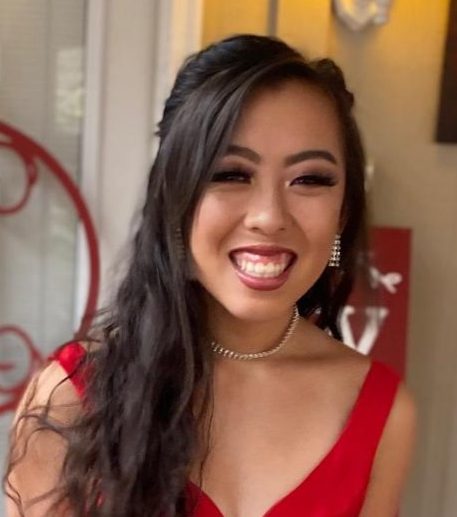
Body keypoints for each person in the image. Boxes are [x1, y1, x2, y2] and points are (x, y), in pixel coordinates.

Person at [4, 34, 416, 517]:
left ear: (343, 211)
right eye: (231, 174)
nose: (269, 216)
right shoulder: (71, 397)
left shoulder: (382, 413)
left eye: (309, 179)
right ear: (174, 201)